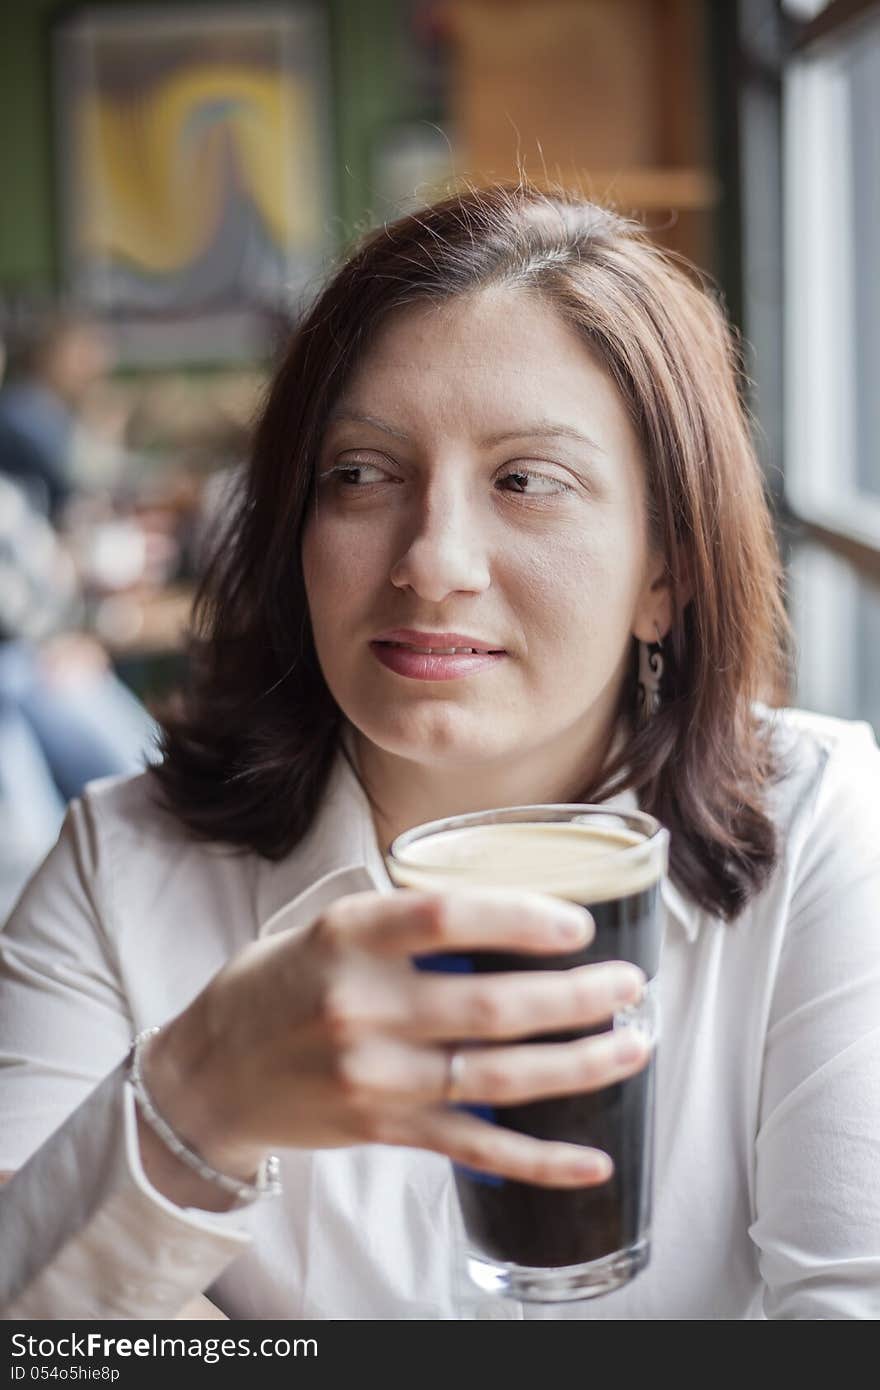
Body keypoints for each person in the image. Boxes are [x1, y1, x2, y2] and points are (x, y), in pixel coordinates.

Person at [1, 183, 879, 1321]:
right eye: (362, 474)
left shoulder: (819, 823)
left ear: (663, 575)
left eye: (526, 481)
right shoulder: (118, 869)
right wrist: (199, 1098)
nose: (432, 560)